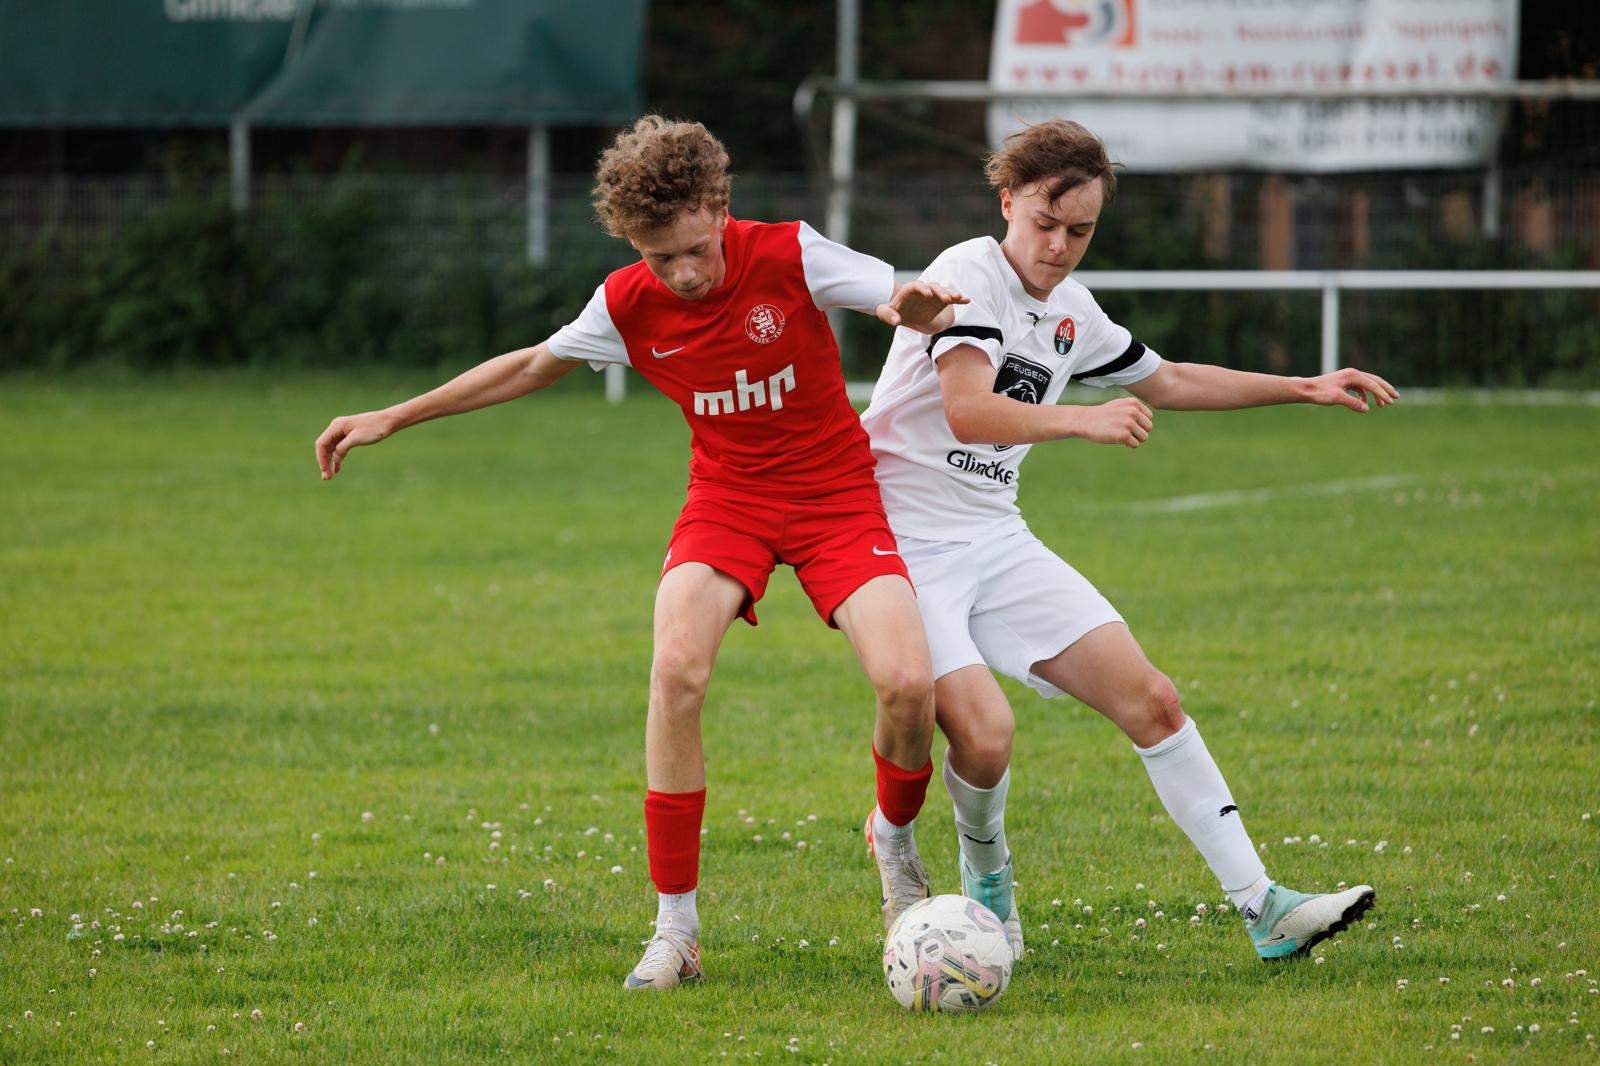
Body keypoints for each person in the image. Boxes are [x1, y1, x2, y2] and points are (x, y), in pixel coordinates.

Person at [315, 116, 967, 990]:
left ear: (722, 210)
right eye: (662, 258)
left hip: (835, 495)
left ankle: (893, 839)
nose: (685, 274)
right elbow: (530, 367)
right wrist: (393, 415)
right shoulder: (626, 303)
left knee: (909, 686)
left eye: (696, 249)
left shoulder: (791, 253)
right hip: (728, 500)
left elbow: (897, 293)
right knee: (676, 671)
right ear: (633, 245)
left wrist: (915, 306)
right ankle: (676, 931)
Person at [860, 119, 1396, 962]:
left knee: (1154, 701)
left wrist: (1304, 386)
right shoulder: (967, 273)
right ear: (1007, 201)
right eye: (1045, 223)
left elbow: (1170, 378)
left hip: (995, 536)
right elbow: (967, 409)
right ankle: (983, 880)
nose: (1059, 247)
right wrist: (1083, 420)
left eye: (1080, 231)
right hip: (901, 544)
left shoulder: (1071, 310)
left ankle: (1265, 909)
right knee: (987, 738)